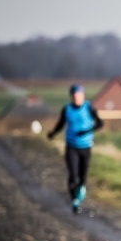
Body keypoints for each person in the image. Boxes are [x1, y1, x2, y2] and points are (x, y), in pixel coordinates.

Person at [47, 84, 104, 213]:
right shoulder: (67, 109)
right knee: (73, 175)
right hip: (71, 146)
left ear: (82, 95)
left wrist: (87, 131)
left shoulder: (89, 108)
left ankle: (81, 190)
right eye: (74, 96)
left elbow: (100, 123)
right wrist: (53, 133)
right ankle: (75, 202)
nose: (76, 98)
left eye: (78, 95)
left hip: (85, 147)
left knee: (82, 176)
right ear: (71, 96)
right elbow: (60, 124)